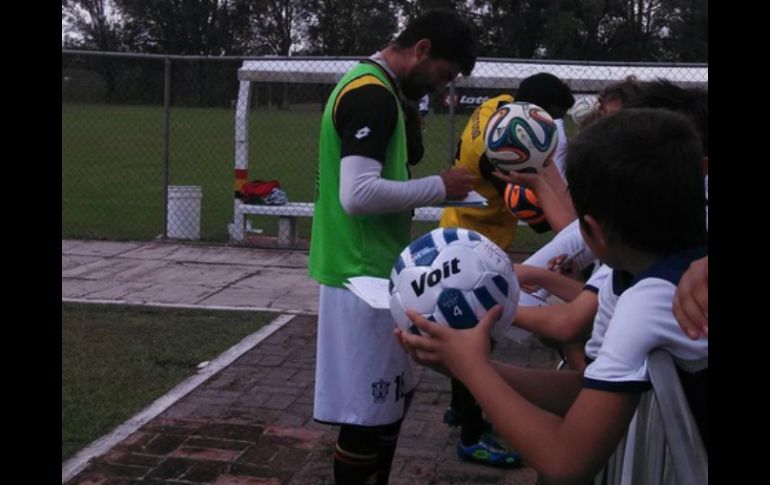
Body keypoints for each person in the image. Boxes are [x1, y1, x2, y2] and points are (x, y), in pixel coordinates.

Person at [396, 108, 708, 483]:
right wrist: (470, 367)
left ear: (592, 229)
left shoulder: (648, 301)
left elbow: (566, 462)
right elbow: (584, 388)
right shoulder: (629, 277)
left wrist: (475, 370)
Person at [307, 10, 477, 484]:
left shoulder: (376, 88)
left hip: (375, 273)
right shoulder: (372, 96)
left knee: (388, 406)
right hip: (360, 278)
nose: (442, 88)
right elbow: (357, 195)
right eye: (443, 75)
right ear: (420, 49)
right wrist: (439, 187)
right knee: (366, 416)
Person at [435, 72, 574, 468]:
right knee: (478, 335)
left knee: (464, 327)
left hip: (460, 225)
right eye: (551, 117)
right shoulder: (503, 150)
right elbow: (535, 209)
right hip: (475, 241)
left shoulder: (497, 105)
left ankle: (459, 410)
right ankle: (472, 436)